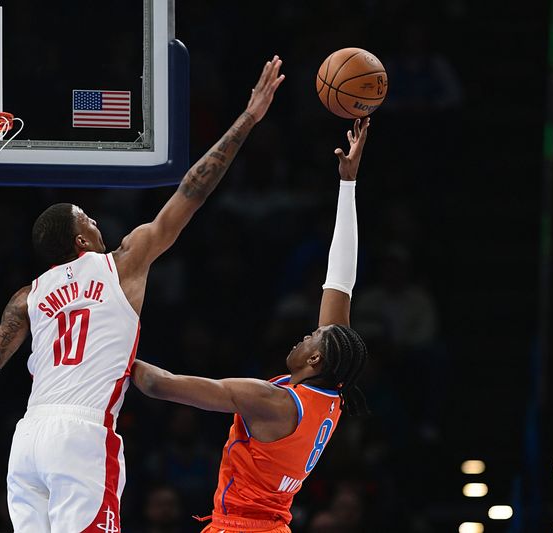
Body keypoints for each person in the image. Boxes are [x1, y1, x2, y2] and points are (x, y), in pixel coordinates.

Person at [0, 56, 286, 532]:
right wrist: (248, 119)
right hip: (81, 435)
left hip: (27, 439)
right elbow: (192, 190)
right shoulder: (123, 262)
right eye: (88, 218)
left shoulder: (27, 296)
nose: (97, 221)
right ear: (81, 241)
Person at [130, 117, 372, 533]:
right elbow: (340, 280)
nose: (305, 333)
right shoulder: (330, 389)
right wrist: (347, 185)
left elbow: (159, 384)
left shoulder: (271, 401)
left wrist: (97, 347)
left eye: (311, 335)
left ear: (315, 357)